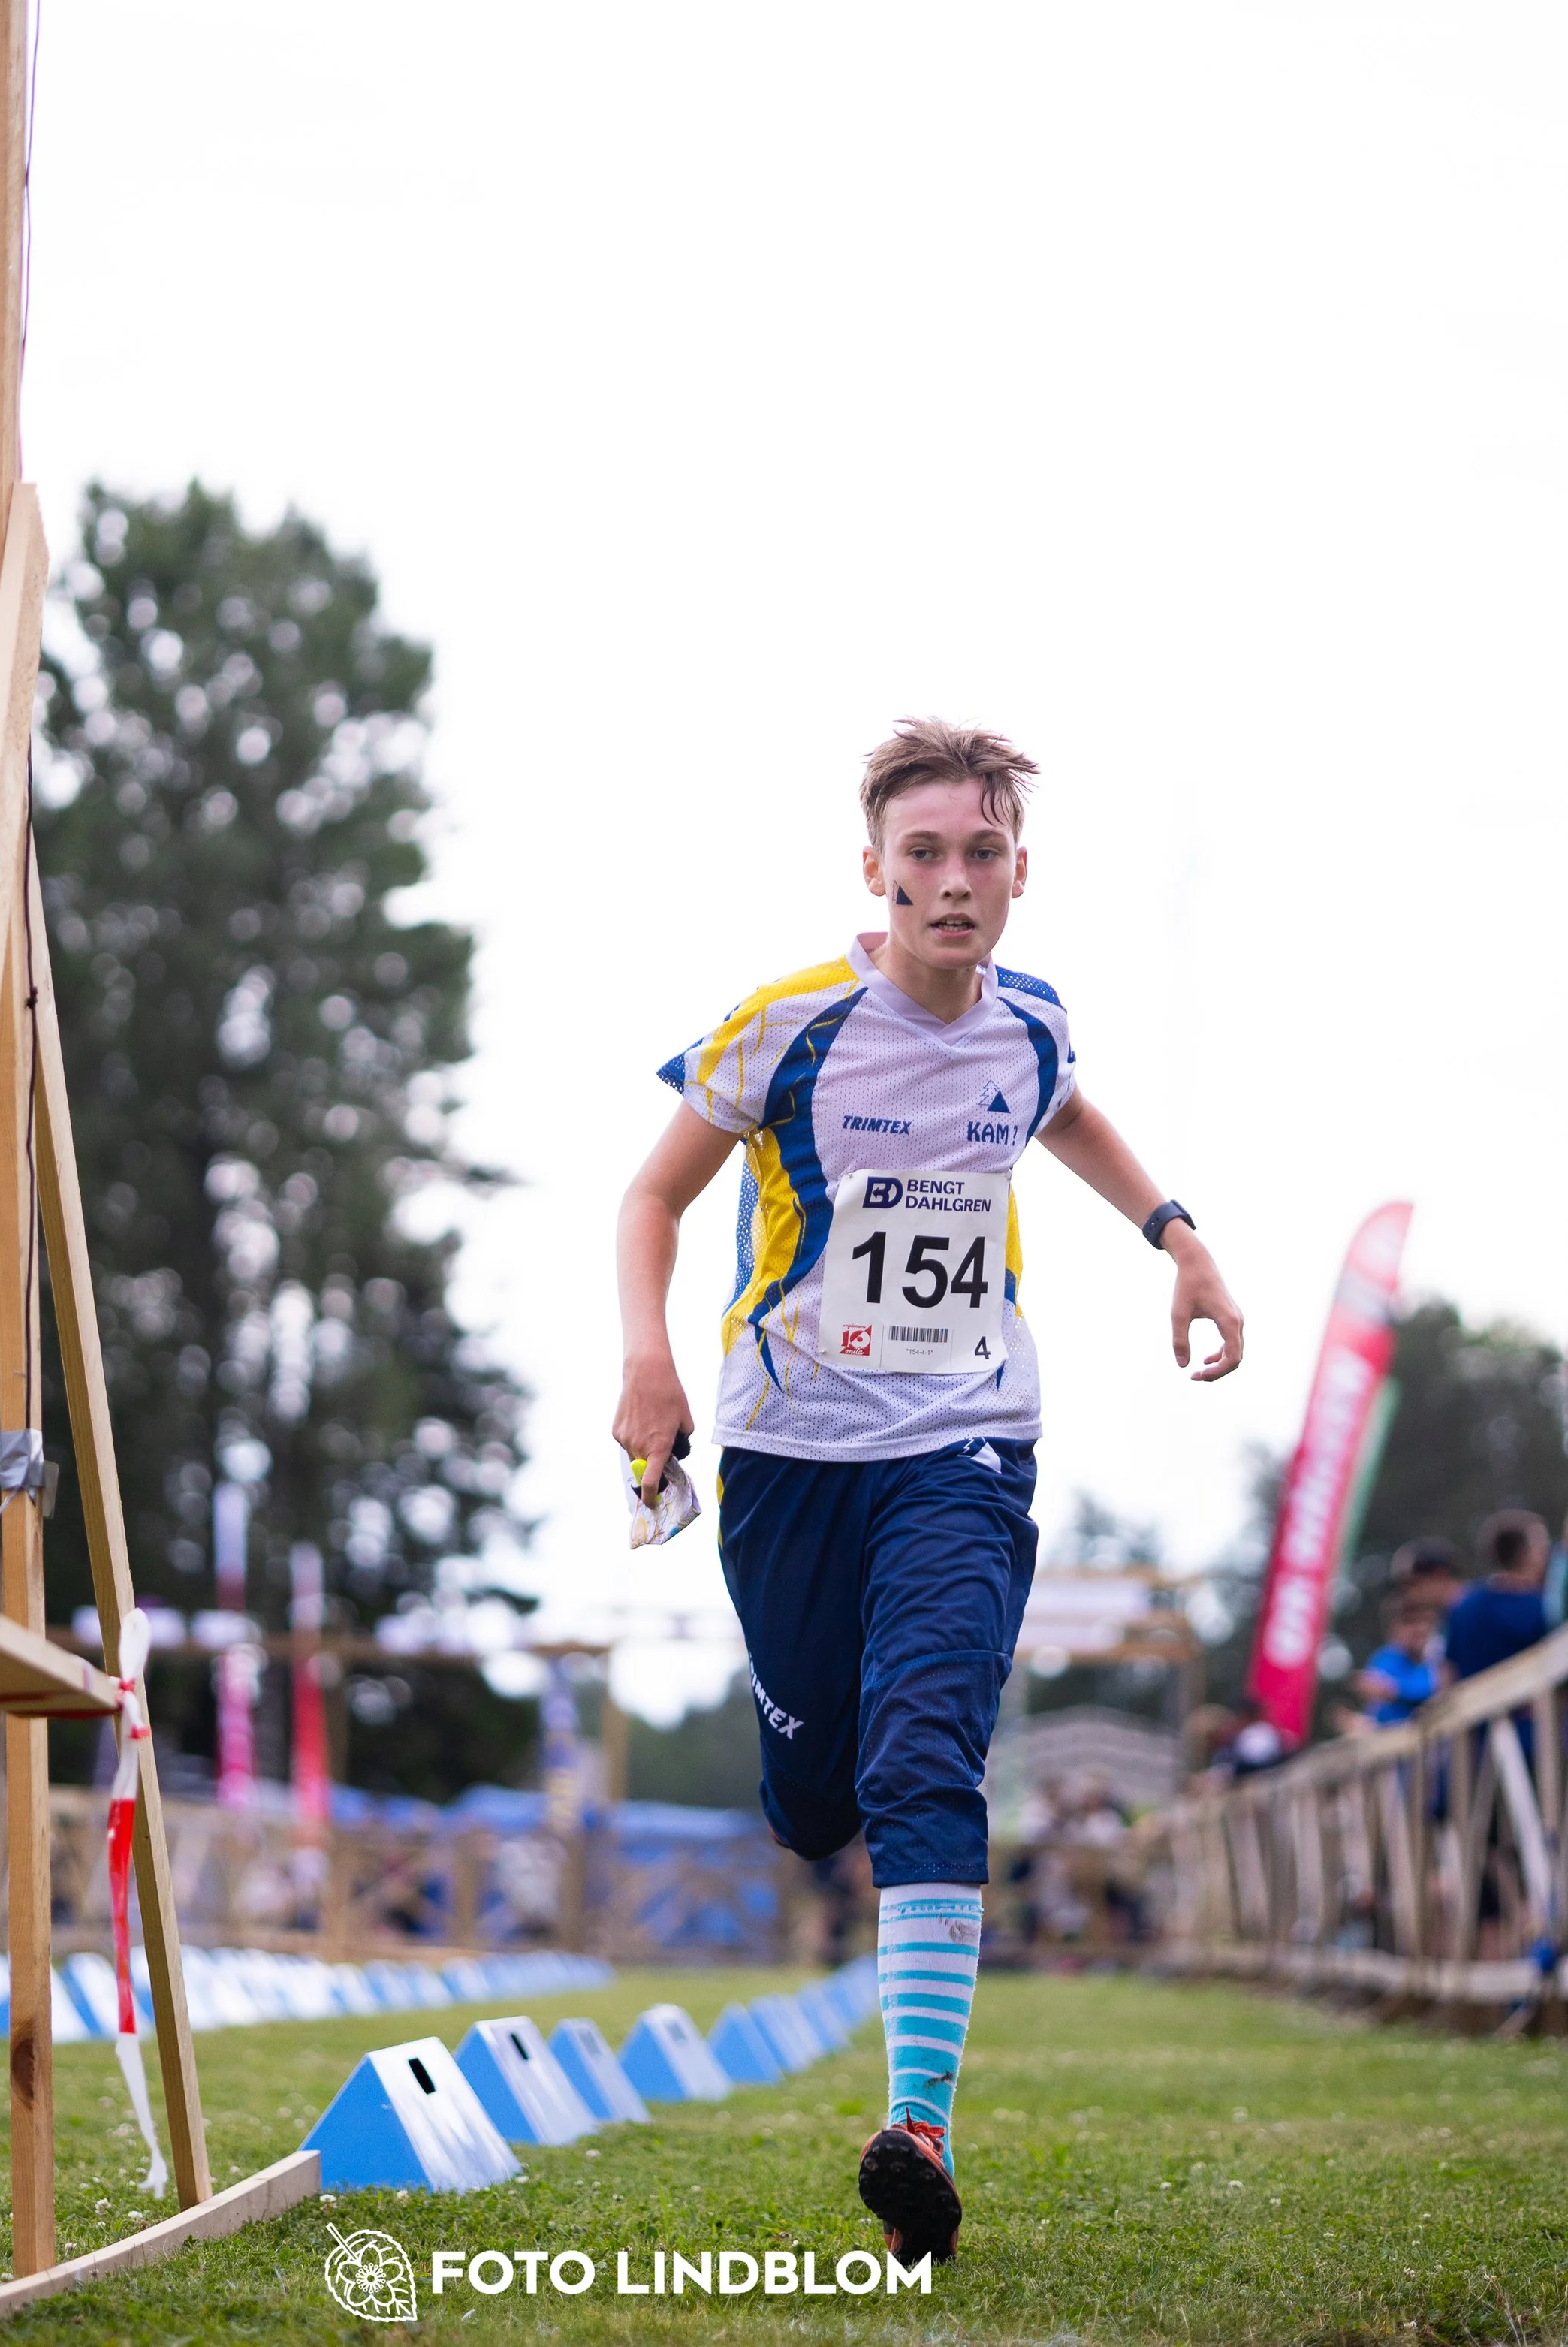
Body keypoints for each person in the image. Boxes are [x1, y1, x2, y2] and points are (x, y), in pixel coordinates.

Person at [612, 719, 1244, 2266]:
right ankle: (814, 1788)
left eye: (979, 855)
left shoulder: (1027, 1023)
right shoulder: (789, 1024)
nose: (951, 883)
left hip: (965, 1439)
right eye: (923, 857)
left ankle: (918, 2127)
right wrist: (645, 1363)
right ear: (875, 872)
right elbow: (651, 1190)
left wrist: (1177, 1235)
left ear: (1018, 872)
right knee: (820, 1794)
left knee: (925, 1760)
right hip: (786, 1456)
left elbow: (1066, 1106)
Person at [1443, 1510, 1549, 1685]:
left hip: (1471, 1709)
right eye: (1541, 1548)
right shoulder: (1538, 1607)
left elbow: (1447, 1670)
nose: (1546, 1555)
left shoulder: (1463, 1605)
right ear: (1524, 1555)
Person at [1353, 1592, 1441, 1724]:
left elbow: (1433, 1689)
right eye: (1408, 1622)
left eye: (1423, 1620)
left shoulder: (1439, 1651)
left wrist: (1392, 1691)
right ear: (1392, 1629)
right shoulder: (1385, 1658)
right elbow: (1379, 1713)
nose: (1418, 1629)